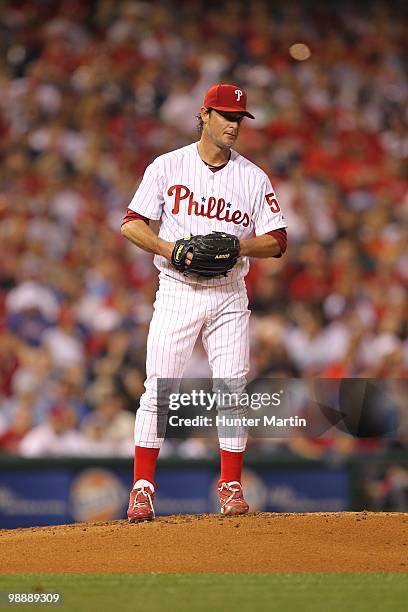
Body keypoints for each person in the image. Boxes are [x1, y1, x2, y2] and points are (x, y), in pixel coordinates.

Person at [121, 83, 288, 521]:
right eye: (226, 116)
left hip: (228, 293)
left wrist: (240, 247)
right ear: (204, 115)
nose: (233, 125)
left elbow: (278, 240)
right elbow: (131, 224)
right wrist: (168, 248)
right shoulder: (168, 165)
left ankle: (231, 485)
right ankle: (142, 486)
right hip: (178, 289)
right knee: (159, 388)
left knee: (231, 388)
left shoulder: (252, 177)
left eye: (239, 118)